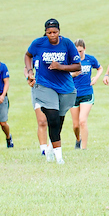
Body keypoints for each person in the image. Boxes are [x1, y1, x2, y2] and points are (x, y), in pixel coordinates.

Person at [25, 18, 82, 163]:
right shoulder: (38, 43)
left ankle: (51, 147)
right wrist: (30, 71)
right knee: (53, 117)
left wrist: (60, 67)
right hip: (45, 85)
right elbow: (28, 55)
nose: (52, 35)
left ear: (59, 31)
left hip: (65, 87)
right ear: (45, 32)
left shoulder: (67, 44)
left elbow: (77, 66)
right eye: (49, 32)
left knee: (59, 120)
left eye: (54, 32)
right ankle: (59, 157)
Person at [70, 40, 100, 150]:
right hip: (73, 94)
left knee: (82, 121)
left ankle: (84, 148)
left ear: (85, 49)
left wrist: (96, 78)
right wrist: (73, 74)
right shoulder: (70, 61)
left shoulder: (90, 59)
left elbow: (99, 68)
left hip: (87, 92)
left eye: (81, 51)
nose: (79, 54)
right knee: (76, 125)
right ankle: (78, 139)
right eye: (76, 51)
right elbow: (63, 75)